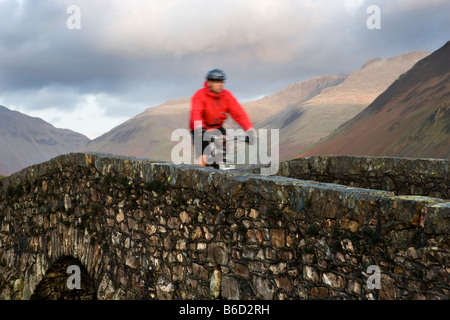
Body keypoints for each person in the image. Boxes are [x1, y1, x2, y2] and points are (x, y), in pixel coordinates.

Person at [189, 69, 255, 166]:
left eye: (221, 81)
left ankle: (220, 166)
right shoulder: (200, 95)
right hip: (199, 129)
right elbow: (196, 113)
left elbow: (238, 112)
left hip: (217, 127)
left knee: (222, 150)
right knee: (203, 157)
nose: (220, 84)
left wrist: (249, 129)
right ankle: (200, 175)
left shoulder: (226, 95)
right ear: (209, 83)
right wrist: (200, 129)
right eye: (216, 82)